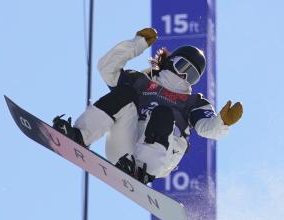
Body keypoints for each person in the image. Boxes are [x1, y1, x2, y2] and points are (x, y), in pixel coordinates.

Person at [53, 27, 243, 184]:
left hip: (159, 156)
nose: (184, 76)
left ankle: (141, 171)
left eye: (191, 75)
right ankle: (80, 135)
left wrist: (222, 122)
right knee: (124, 94)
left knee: (163, 113)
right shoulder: (140, 82)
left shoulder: (193, 102)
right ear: (170, 62)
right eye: (182, 67)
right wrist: (137, 44)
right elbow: (107, 68)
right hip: (124, 147)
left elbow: (206, 127)